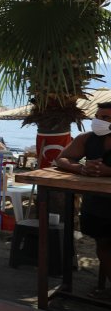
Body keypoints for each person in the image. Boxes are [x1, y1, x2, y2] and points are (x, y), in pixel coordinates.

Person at [54, 102, 111, 299]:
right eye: (98, 116)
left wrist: (108, 172)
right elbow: (62, 158)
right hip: (96, 205)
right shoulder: (87, 139)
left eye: (106, 118)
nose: (100, 121)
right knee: (103, 244)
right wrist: (81, 168)